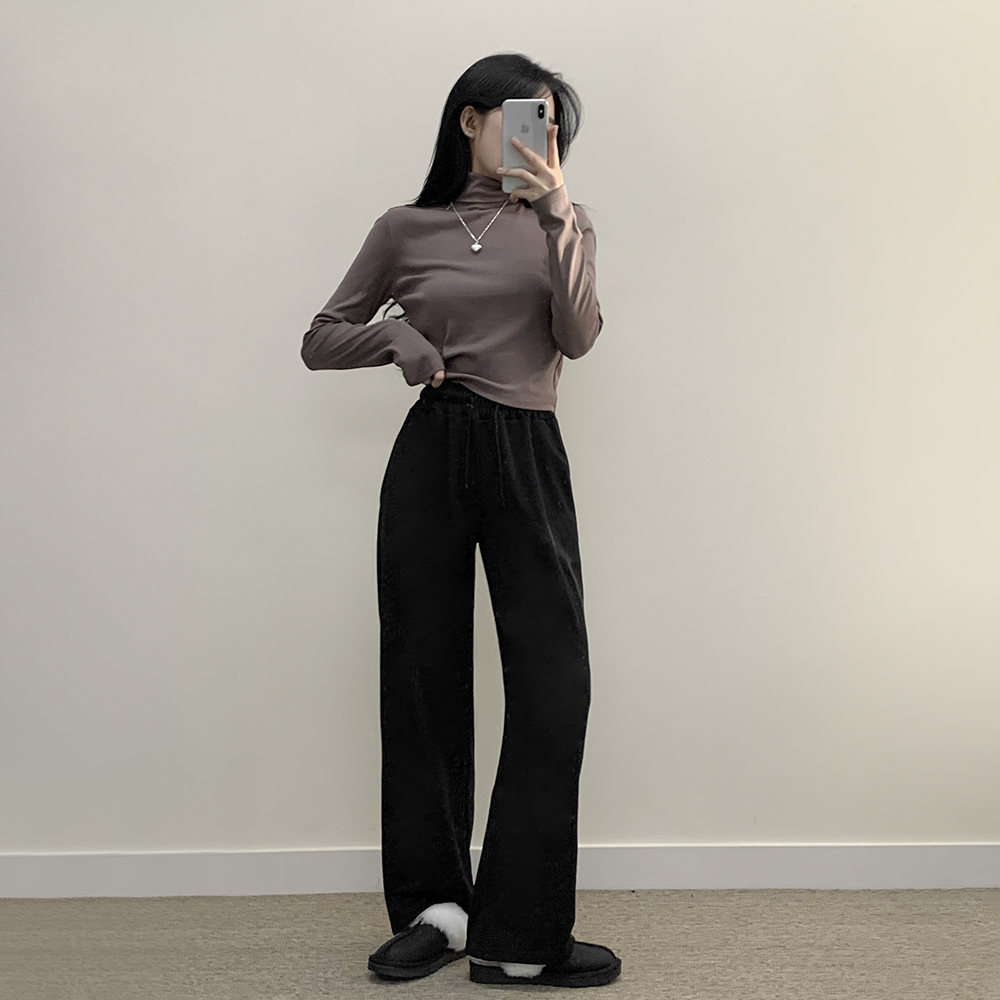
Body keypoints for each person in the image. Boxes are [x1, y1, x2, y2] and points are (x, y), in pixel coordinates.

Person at [300, 52, 620, 989]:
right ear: (471, 120)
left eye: (551, 125)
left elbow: (579, 336)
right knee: (421, 675)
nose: (538, 137)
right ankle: (437, 912)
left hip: (528, 449)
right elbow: (320, 337)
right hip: (433, 448)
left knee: (554, 682)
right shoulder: (405, 229)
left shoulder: (566, 224)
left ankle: (520, 930)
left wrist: (557, 210)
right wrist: (395, 336)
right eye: (525, 117)